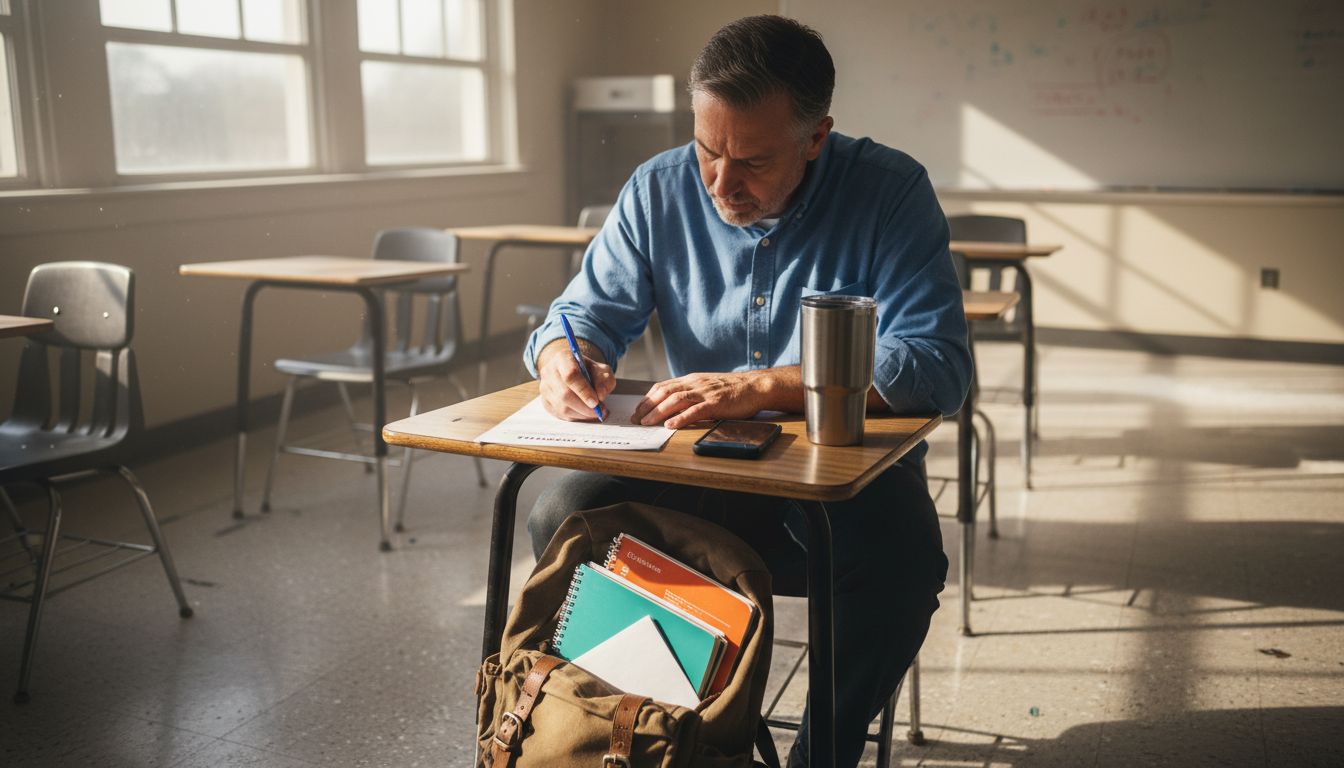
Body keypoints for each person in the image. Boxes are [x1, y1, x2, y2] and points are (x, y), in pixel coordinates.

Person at [523, 14, 971, 767]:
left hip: (838, 481)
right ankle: (671, 732)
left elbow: (934, 366)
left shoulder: (890, 193)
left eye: (754, 162)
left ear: (816, 137)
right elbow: (578, 315)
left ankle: (818, 754)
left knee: (902, 563)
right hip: (693, 470)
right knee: (563, 516)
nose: (721, 185)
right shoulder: (659, 189)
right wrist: (564, 356)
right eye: (707, 150)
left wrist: (761, 386)